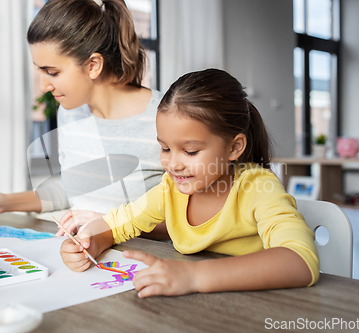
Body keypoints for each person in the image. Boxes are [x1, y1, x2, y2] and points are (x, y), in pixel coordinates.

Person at [60, 68, 320, 297]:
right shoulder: (170, 189)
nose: (173, 164)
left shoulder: (257, 187)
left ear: (234, 147)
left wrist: (194, 276)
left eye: (191, 151)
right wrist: (88, 242)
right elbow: (115, 225)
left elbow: (300, 261)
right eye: (165, 149)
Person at [0, 0, 169, 239]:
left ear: (93, 65)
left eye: (52, 72)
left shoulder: (165, 116)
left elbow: (195, 217)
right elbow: (76, 187)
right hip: (83, 261)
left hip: (144, 267)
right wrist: (6, 202)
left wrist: (111, 224)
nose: (44, 86)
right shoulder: (71, 113)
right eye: (40, 71)